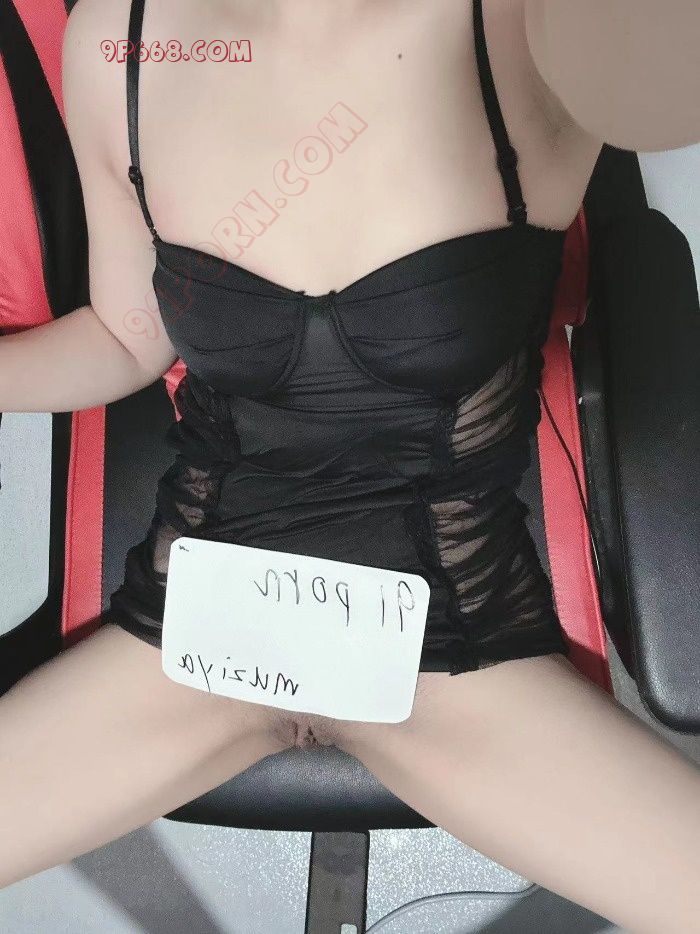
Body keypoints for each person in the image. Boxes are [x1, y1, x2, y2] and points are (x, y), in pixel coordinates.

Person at [1, 1, 699, 931]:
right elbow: (125, 339)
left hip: (452, 659)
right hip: (199, 632)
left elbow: (662, 66)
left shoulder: (529, 25)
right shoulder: (121, 41)